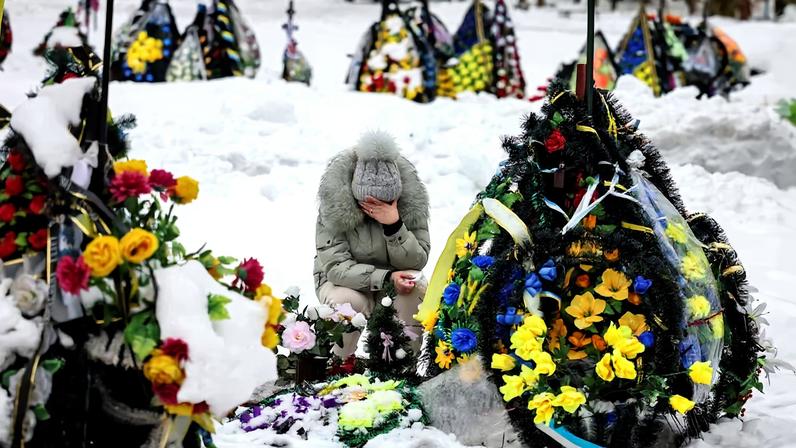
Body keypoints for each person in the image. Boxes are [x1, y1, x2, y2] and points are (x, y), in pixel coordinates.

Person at [314, 131, 430, 356]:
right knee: (345, 303)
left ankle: (400, 368)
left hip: (397, 282)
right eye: (370, 203)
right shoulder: (335, 204)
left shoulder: (410, 202)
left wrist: (394, 225)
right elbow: (337, 267)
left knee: (413, 293)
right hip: (346, 283)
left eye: (385, 202)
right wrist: (385, 278)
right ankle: (337, 366)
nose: (377, 208)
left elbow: (418, 260)